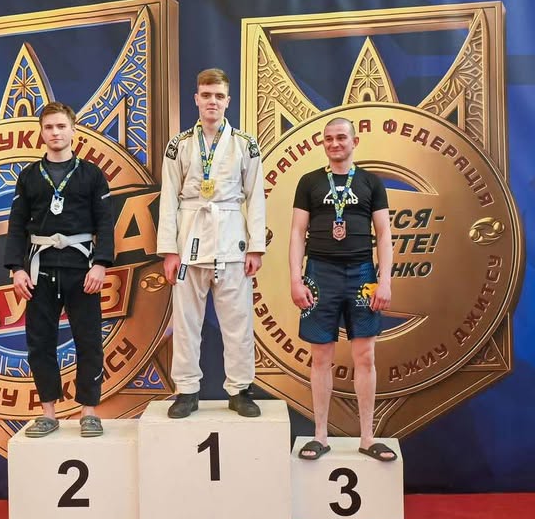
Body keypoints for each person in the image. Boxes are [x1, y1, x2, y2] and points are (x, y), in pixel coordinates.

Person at [156, 68, 267, 419]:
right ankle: (187, 390)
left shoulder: (245, 144)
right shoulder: (179, 144)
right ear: (196, 99)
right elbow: (168, 197)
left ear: (228, 100)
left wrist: (255, 246)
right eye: (206, 95)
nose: (212, 102)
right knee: (186, 321)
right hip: (190, 238)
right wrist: (169, 250)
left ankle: (240, 389)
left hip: (231, 237)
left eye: (219, 96)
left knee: (238, 321)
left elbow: (256, 196)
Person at [4, 101, 115, 438]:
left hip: (82, 270)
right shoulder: (28, 176)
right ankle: (48, 413)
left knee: (89, 340)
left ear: (73, 130)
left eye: (61, 126)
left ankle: (89, 412)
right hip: (40, 270)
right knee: (40, 342)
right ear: (41, 133)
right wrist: (16, 269)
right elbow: (16, 225)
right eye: (49, 127)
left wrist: (101, 264)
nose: (56, 133)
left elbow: (105, 223)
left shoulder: (91, 174)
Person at [289, 117, 397, 461]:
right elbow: (297, 233)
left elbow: (384, 234)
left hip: (362, 273)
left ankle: (367, 437)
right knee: (321, 357)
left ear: (354, 142)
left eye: (341, 138)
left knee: (365, 356)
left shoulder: (370, 182)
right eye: (329, 139)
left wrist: (385, 280)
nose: (334, 143)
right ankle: (320, 436)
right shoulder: (309, 181)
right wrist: (295, 278)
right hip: (320, 273)